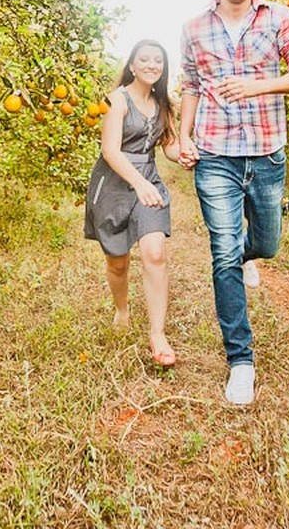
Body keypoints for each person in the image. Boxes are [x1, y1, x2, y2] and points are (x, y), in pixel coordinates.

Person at [177, 0, 289, 405]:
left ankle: (248, 254)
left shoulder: (277, 18)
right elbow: (190, 85)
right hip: (215, 154)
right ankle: (241, 360)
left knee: (266, 244)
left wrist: (256, 87)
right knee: (222, 252)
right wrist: (183, 136)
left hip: (266, 151)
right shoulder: (195, 27)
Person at [84, 39, 181, 366]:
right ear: (133, 64)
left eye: (158, 60)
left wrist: (186, 154)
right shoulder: (117, 100)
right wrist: (137, 183)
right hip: (114, 184)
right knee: (118, 262)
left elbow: (169, 145)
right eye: (145, 59)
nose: (152, 65)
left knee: (155, 253)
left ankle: (157, 334)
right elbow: (111, 151)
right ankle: (122, 310)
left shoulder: (163, 103)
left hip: (148, 184)